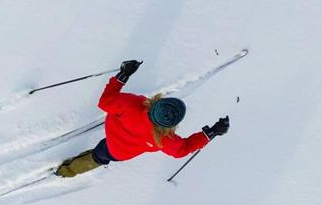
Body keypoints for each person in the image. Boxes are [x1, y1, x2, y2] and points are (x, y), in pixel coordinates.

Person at [55, 60, 230, 177]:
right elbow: (181, 150)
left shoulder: (131, 105)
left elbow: (105, 102)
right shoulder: (164, 139)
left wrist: (122, 76)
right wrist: (210, 133)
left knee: (99, 152)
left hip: (112, 137)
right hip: (119, 152)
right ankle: (67, 171)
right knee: (99, 156)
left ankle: (65, 171)